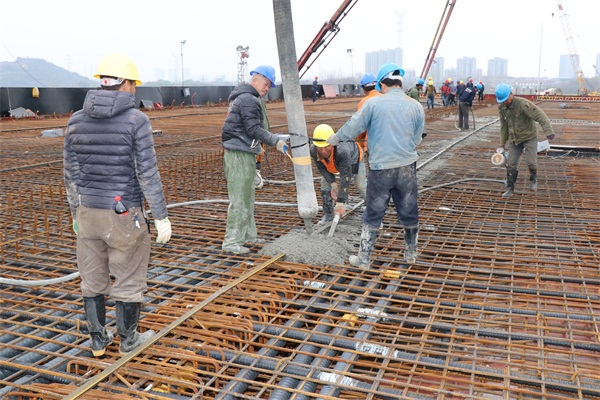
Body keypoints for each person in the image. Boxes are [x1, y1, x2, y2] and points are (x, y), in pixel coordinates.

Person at [64, 53, 172, 357]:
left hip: (87, 213)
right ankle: (128, 340)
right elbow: (146, 171)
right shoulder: (137, 120)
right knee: (129, 277)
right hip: (123, 214)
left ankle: (98, 340)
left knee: (92, 277)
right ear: (123, 84)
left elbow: (70, 174)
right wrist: (161, 217)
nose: (135, 90)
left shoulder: (75, 120)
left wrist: (75, 212)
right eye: (133, 84)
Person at [326, 62, 425, 268]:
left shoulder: (373, 104)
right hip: (407, 168)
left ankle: (363, 259)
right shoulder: (416, 106)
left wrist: (335, 139)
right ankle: (411, 254)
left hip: (381, 169)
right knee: (408, 210)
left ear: (382, 84)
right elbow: (417, 140)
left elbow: (353, 127)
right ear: (400, 82)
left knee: (373, 212)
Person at [221, 65, 288, 254]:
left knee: (248, 198)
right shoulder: (248, 99)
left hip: (245, 153)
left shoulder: (248, 98)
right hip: (238, 154)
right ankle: (232, 241)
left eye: (269, 86)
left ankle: (249, 235)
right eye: (265, 84)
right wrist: (275, 141)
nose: (267, 88)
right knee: (240, 199)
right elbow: (253, 129)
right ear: (255, 79)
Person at [495, 83, 555, 197]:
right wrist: (502, 143)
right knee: (511, 164)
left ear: (511, 94)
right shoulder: (502, 108)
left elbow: (540, 116)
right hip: (515, 139)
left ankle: (533, 178)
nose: (505, 102)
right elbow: (504, 126)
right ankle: (510, 188)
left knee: (531, 162)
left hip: (529, 137)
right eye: (503, 100)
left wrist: (549, 132)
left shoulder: (523, 104)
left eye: (506, 99)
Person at [310, 124, 366, 224]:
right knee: (325, 185)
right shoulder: (313, 150)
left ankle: (374, 212)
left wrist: (340, 201)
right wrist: (333, 184)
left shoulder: (342, 152)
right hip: (332, 163)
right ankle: (328, 215)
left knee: (361, 186)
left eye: (327, 147)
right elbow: (322, 169)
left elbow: (345, 177)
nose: (323, 151)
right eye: (320, 147)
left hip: (354, 158)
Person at [356, 73, 382, 176]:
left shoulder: (364, 102)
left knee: (375, 176)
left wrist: (361, 143)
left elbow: (360, 127)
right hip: (389, 146)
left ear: (363, 88)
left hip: (372, 146)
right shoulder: (385, 98)